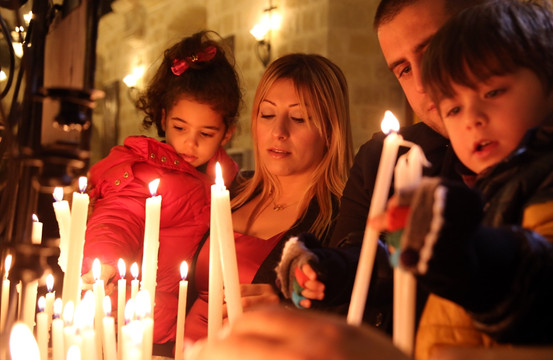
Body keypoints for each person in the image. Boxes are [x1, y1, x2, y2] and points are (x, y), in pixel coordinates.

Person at [378, 0, 553, 358]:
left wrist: (469, 252)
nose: (472, 118)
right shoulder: (494, 183)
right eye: (453, 108)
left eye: (492, 92)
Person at [274, 0, 481, 329]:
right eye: (404, 69)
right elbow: (359, 259)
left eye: (433, 52)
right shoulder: (381, 158)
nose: (422, 84)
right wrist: (324, 271)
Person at [80, 31, 241, 346]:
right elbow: (118, 217)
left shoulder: (227, 180)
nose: (189, 143)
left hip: (183, 331)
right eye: (180, 128)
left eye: (206, 133)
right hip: (129, 327)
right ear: (163, 117)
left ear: (226, 133)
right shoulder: (144, 170)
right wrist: (106, 259)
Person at [183, 53, 354, 342]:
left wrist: (289, 308)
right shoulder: (230, 191)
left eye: (299, 118)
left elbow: (351, 321)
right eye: (268, 114)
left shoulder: (341, 222)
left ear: (330, 130)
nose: (278, 132)